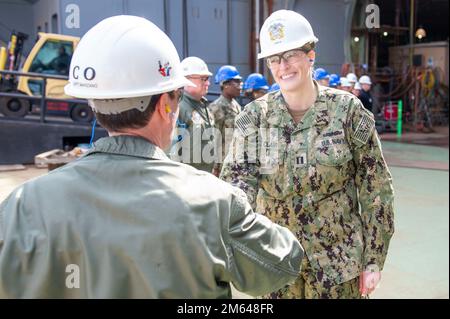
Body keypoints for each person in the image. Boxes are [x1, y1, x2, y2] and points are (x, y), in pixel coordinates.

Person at [0, 15, 304, 298]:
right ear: (165, 105)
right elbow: (284, 263)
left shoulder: (22, 205)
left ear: (94, 103)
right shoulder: (214, 203)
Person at [220, 9, 394, 299]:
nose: (283, 66)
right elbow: (236, 191)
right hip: (276, 268)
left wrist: (373, 258)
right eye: (275, 59)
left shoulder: (348, 112)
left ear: (310, 55)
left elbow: (376, 188)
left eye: (290, 55)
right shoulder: (255, 119)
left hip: (338, 270)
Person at [172, 56, 215, 173]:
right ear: (187, 79)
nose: (208, 83)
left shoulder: (204, 106)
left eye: (207, 79)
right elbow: (172, 151)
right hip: (188, 180)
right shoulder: (178, 107)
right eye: (203, 79)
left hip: (205, 177)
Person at [209, 65, 242, 176]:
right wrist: (215, 167)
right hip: (223, 164)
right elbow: (214, 139)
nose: (240, 85)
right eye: (236, 82)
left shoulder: (236, 105)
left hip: (236, 159)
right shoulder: (216, 107)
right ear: (225, 84)